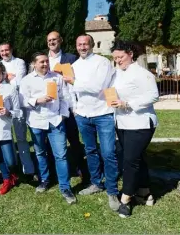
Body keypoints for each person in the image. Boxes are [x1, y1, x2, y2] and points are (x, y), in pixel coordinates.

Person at [70, 34, 120, 211]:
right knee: (90, 151)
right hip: (83, 115)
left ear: (91, 45)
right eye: (79, 44)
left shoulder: (102, 62)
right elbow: (71, 92)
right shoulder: (74, 66)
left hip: (103, 113)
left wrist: (75, 82)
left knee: (108, 153)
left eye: (85, 44)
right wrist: (75, 109)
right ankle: (96, 183)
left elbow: (97, 87)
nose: (82, 47)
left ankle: (112, 191)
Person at [20, 52, 76, 204]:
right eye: (41, 62)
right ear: (34, 64)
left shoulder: (56, 77)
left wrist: (63, 115)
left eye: (46, 61)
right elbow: (22, 101)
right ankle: (45, 180)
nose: (45, 64)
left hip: (55, 121)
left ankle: (65, 187)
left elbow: (65, 97)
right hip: (36, 122)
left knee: (61, 155)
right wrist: (38, 100)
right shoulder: (26, 80)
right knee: (40, 153)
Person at [110, 40, 159, 218]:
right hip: (122, 123)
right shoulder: (118, 73)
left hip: (140, 124)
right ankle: (145, 192)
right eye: (115, 58)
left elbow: (154, 96)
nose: (118, 61)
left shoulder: (142, 73)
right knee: (137, 158)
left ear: (130, 54)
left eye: (120, 57)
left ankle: (126, 199)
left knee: (129, 161)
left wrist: (128, 104)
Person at [46, 31, 89, 185]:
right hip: (50, 107)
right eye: (49, 40)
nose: (52, 42)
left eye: (54, 39)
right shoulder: (43, 60)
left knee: (74, 140)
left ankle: (82, 171)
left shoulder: (71, 58)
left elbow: (78, 79)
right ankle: (52, 172)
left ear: (61, 40)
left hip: (69, 105)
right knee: (50, 142)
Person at [0, 42, 36, 180]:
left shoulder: (19, 62)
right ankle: (12, 168)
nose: (4, 53)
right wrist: (8, 77)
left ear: (11, 50)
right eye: (2, 51)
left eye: (6, 50)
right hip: (2, 107)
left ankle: (28, 169)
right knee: (6, 139)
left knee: (21, 138)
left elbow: (18, 82)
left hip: (17, 105)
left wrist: (5, 80)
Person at [0, 61, 21, 195]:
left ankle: (12, 173)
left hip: (4, 128)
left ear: (3, 74)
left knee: (11, 160)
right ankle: (6, 179)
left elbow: (17, 111)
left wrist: (7, 112)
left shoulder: (10, 89)